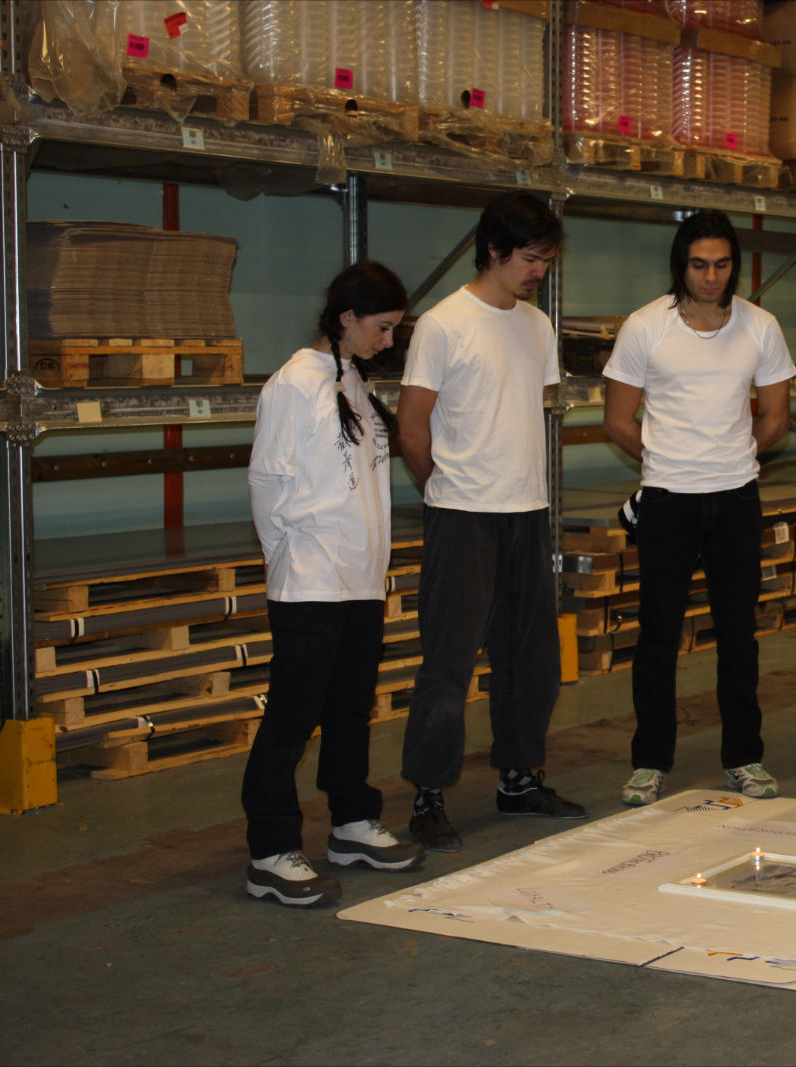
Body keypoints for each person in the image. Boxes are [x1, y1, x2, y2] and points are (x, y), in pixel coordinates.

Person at [396, 191, 586, 853]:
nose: (539, 271)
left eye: (547, 260)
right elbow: (411, 426)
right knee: (449, 662)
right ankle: (428, 793)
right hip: (463, 515)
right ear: (495, 250)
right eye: (530, 258)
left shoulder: (537, 326)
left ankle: (518, 777)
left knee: (532, 658)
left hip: (526, 511)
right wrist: (444, 488)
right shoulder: (444, 324)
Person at [242, 260, 426, 907]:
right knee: (292, 717)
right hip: (310, 581)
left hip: (360, 579)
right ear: (346, 317)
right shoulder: (295, 383)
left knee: (351, 708)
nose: (387, 341)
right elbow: (268, 484)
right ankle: (270, 851)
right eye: (381, 327)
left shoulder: (352, 381)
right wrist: (288, 559)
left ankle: (351, 824)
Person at [602, 212, 796, 805]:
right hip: (667, 501)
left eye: (722, 265)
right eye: (699, 265)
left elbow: (776, 417)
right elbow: (617, 419)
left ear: (734, 266)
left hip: (736, 499)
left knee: (739, 633)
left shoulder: (761, 327)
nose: (711, 277)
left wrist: (733, 456)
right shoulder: (645, 327)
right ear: (680, 265)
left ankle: (744, 757)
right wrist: (669, 461)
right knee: (657, 634)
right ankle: (649, 762)